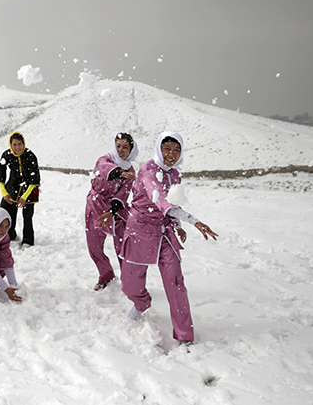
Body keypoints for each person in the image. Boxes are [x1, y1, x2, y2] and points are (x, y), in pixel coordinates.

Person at [119, 132, 218, 344]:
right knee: (130, 284)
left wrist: (178, 224)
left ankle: (184, 336)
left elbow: (171, 204)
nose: (171, 154)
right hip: (141, 230)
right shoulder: (148, 171)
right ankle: (141, 304)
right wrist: (195, 221)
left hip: (165, 232)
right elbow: (161, 200)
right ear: (159, 149)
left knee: (176, 283)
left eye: (176, 150)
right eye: (167, 149)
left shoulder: (174, 175)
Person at [87, 133, 138, 291]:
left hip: (116, 209)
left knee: (122, 246)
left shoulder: (130, 170)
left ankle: (129, 280)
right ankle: (106, 274)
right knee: (94, 245)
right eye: (118, 146)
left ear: (131, 150)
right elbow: (103, 170)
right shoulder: (105, 160)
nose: (121, 150)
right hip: (94, 205)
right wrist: (120, 173)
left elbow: (124, 193)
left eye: (125, 147)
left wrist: (111, 211)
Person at [0, 131, 40, 246]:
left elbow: (34, 179)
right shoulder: (6, 155)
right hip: (12, 186)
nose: (17, 147)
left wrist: (25, 197)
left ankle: (28, 240)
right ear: (10, 145)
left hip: (29, 189)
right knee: (5, 212)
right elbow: (1, 176)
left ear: (23, 143)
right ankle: (9, 235)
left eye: (20, 144)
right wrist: (5, 193)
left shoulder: (30, 155)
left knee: (27, 216)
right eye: (14, 144)